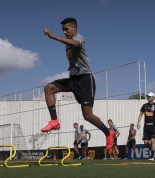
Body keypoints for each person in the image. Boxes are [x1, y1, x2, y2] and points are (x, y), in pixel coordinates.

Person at [41, 17, 114, 151]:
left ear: (74, 28)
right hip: (73, 79)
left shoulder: (79, 38)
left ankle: (108, 133)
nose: (64, 32)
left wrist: (53, 37)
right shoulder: (67, 42)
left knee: (87, 116)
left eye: (66, 29)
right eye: (63, 30)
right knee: (49, 88)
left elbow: (76, 44)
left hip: (85, 80)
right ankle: (54, 121)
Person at [137, 92, 155, 161]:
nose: (148, 97)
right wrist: (138, 122)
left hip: (153, 126)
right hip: (146, 126)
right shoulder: (144, 105)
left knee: (152, 140)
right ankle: (153, 151)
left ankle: (152, 157)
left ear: (153, 98)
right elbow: (141, 114)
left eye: (150, 96)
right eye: (148, 96)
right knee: (145, 142)